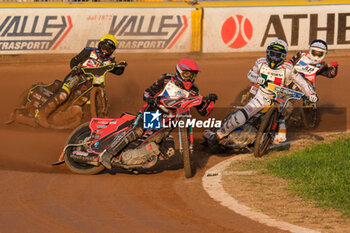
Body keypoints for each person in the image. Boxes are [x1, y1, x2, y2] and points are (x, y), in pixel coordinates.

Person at [99, 58, 218, 169]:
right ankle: (107, 154)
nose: (190, 77)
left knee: (167, 150)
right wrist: (151, 99)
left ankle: (138, 158)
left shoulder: (194, 90)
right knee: (137, 131)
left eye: (193, 74)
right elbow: (147, 92)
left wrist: (210, 101)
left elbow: (203, 111)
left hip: (169, 121)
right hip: (154, 111)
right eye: (187, 73)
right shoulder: (166, 79)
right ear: (179, 72)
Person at [205, 39, 317, 145]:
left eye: (277, 55)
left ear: (283, 57)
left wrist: (311, 94)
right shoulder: (260, 63)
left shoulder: (289, 69)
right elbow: (250, 74)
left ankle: (265, 137)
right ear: (267, 53)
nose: (273, 58)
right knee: (240, 117)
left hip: (280, 99)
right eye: (271, 54)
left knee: (281, 136)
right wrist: (256, 79)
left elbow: (302, 83)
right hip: (261, 96)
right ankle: (218, 135)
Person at [36, 34, 127, 128]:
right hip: (78, 76)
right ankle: (41, 115)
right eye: (104, 47)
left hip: (93, 83)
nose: (106, 51)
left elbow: (117, 71)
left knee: (79, 110)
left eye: (109, 49)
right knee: (63, 95)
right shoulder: (89, 51)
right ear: (100, 44)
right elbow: (74, 60)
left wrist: (122, 66)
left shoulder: (110, 60)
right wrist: (75, 68)